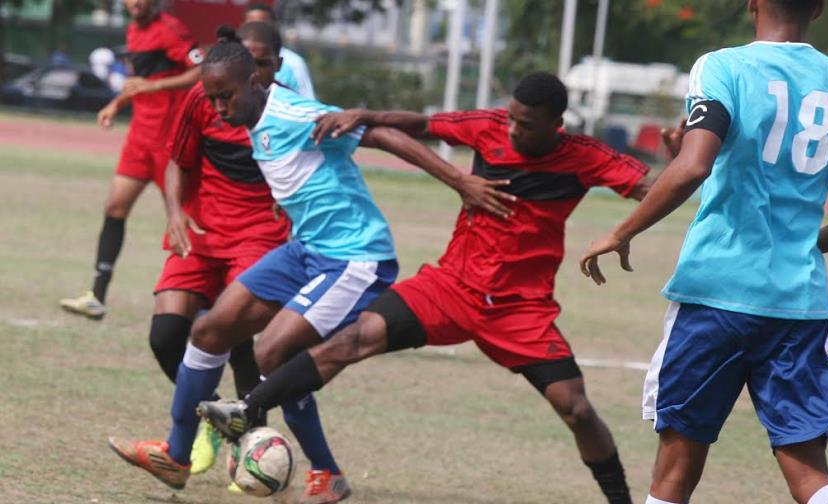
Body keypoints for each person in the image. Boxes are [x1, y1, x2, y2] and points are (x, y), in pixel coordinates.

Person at [199, 72, 659, 504]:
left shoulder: (585, 155)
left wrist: (624, 232)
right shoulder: (488, 127)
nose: (514, 130)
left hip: (519, 308)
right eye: (512, 118)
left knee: (575, 409)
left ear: (557, 124)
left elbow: (654, 188)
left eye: (527, 125)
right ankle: (246, 409)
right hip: (450, 287)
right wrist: (363, 115)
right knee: (353, 339)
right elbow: (423, 124)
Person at [108, 27, 511, 504]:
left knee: (271, 352)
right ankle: (176, 457)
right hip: (306, 251)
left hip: (355, 258)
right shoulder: (250, 115)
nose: (218, 108)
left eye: (225, 97)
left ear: (255, 81)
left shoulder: (295, 114)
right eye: (211, 99)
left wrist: (460, 182)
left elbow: (382, 136)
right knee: (210, 330)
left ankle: (327, 473)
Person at [577, 1, 828, 503]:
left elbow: (694, 165)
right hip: (798, 304)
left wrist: (620, 232)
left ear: (752, 2)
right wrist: (806, 244)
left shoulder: (722, 66)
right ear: (818, 9)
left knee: (674, 474)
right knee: (810, 474)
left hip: (715, 295)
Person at [147, 22, 300, 484]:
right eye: (249, 63)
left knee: (236, 338)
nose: (256, 73)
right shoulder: (206, 98)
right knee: (166, 336)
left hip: (259, 235)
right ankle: (215, 415)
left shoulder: (289, 108)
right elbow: (177, 160)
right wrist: (175, 212)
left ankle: (250, 443)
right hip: (204, 228)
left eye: (265, 64)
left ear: (276, 65)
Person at [60, 0, 203, 320]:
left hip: (170, 142)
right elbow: (140, 81)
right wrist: (117, 104)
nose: (136, 2)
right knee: (115, 207)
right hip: (140, 137)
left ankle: (200, 304)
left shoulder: (171, 30)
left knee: (182, 221)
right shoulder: (133, 31)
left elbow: (202, 70)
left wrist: (154, 86)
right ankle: (97, 296)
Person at [244, 2, 315, 99]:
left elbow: (307, 100)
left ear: (278, 63)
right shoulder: (231, 58)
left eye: (263, 64)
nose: (256, 73)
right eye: (253, 24)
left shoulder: (294, 63)